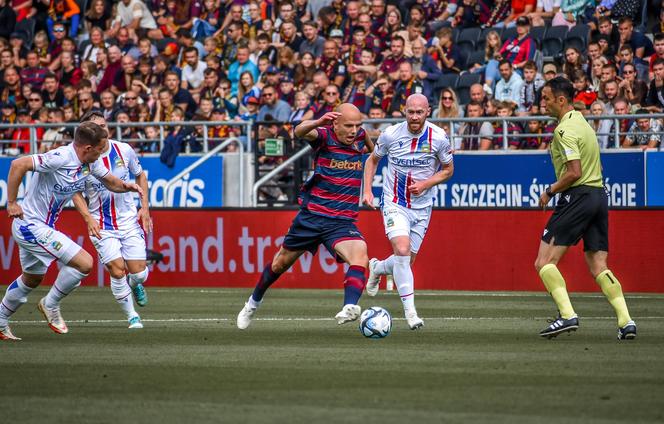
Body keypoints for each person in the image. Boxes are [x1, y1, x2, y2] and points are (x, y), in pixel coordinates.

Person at [0, 122, 143, 341]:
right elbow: (18, 164)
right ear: (87, 148)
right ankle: (50, 304)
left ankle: (0, 322)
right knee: (84, 263)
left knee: (32, 279)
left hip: (42, 226)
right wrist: (11, 202)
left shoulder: (89, 164)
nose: (102, 153)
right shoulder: (60, 157)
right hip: (29, 224)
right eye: (99, 149)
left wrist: (127, 186)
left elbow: (110, 181)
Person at [236, 104, 374, 329]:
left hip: (341, 220)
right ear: (335, 123)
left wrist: (366, 142)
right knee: (280, 264)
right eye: (348, 126)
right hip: (312, 216)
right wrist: (318, 121)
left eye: (358, 125)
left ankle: (350, 306)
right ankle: (252, 303)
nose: (353, 130)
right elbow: (298, 131)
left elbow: (371, 151)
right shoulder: (323, 135)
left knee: (360, 255)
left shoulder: (359, 137)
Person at [535, 76, 636, 340]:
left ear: (560, 99)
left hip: (577, 196)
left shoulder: (563, 131)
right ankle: (626, 322)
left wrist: (549, 191)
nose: (542, 103)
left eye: (546, 98)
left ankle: (567, 315)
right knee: (598, 263)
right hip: (599, 195)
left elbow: (574, 172)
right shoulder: (584, 124)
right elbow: (597, 168)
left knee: (544, 262)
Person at [362, 94, 454, 330]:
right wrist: (368, 191)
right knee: (402, 251)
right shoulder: (391, 134)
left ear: (428, 112)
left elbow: (448, 170)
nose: (414, 116)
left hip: (422, 208)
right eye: (410, 112)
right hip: (395, 202)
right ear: (404, 111)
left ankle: (378, 267)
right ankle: (411, 313)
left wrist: (425, 184)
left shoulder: (439, 137)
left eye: (419, 112)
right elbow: (372, 161)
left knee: (406, 260)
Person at [71, 111, 153, 329]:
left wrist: (144, 208)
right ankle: (132, 317)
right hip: (101, 223)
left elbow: (140, 175)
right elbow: (75, 191)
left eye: (103, 125)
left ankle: (135, 284)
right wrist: (88, 218)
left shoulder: (123, 150)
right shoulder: (82, 159)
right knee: (117, 270)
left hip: (127, 220)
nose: (102, 129)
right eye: (96, 126)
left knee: (140, 273)